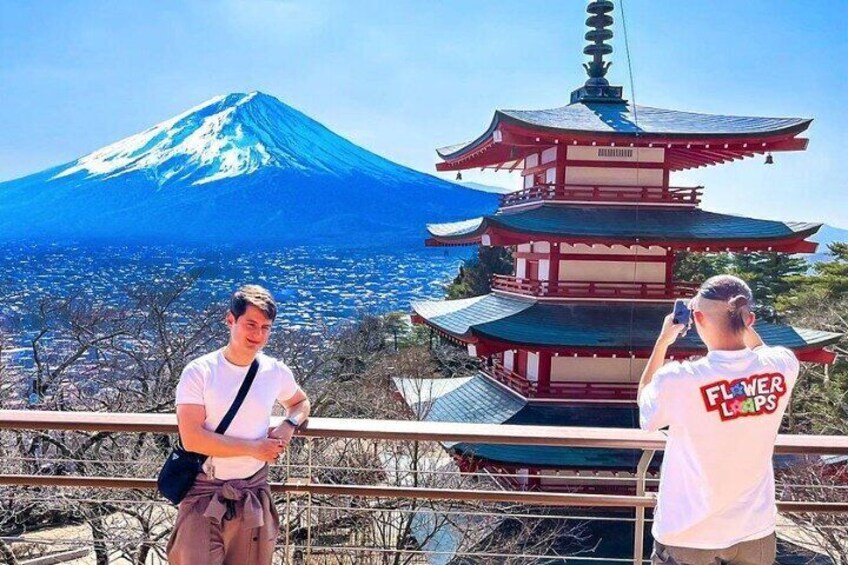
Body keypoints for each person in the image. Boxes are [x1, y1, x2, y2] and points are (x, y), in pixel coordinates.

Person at [638, 275, 799, 565]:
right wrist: (740, 321)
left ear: (697, 318)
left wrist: (663, 341)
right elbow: (761, 350)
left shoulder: (680, 378)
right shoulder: (783, 365)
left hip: (688, 534)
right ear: (749, 319)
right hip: (755, 530)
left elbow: (645, 409)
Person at [167, 285, 310, 565]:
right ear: (230, 320)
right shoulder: (200, 371)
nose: (257, 335)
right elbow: (192, 439)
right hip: (204, 490)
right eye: (251, 324)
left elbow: (300, 401)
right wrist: (255, 448)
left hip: (252, 490)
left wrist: (288, 425)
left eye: (266, 328)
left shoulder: (274, 371)